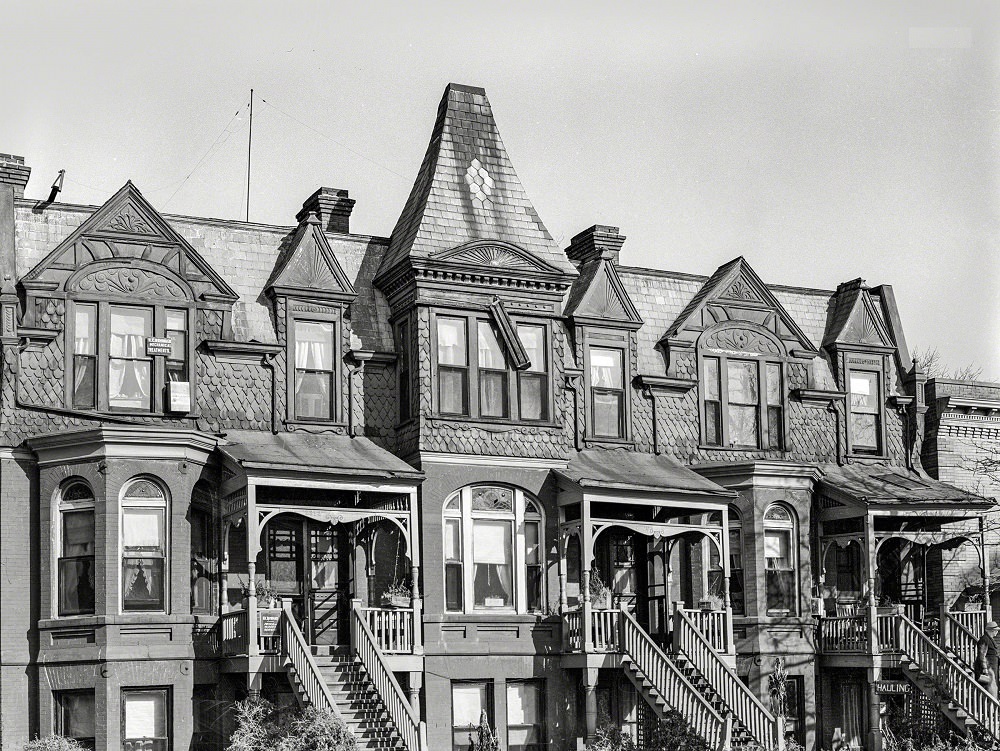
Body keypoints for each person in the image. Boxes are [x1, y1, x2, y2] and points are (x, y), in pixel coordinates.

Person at [975, 620, 1000, 698]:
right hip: (988, 669)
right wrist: (985, 669)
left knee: (993, 687)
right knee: (990, 688)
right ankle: (989, 708)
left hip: (992, 667)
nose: (997, 632)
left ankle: (992, 707)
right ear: (991, 630)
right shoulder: (984, 639)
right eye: (996, 631)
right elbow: (982, 655)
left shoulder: (989, 639)